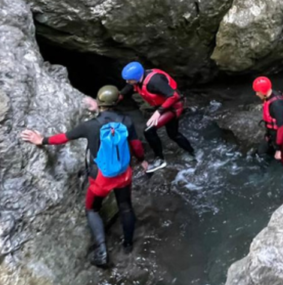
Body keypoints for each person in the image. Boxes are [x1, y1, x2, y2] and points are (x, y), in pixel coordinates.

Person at [20, 85, 143, 268]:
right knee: (125, 207)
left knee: (92, 209)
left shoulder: (90, 126)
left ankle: (102, 252)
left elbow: (64, 137)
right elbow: (136, 145)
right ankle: (127, 245)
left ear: (99, 103)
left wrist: (42, 140)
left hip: (101, 178)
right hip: (123, 174)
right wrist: (142, 160)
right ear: (118, 101)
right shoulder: (127, 121)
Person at [120, 61, 195, 172]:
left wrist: (158, 112)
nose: (127, 82)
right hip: (164, 105)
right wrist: (120, 95)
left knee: (149, 130)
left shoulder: (155, 81)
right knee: (173, 134)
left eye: (129, 79)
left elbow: (173, 96)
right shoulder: (137, 79)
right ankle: (191, 151)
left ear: (136, 77)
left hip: (173, 106)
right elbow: (129, 87)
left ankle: (160, 160)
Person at [254, 76, 283, 165]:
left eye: (257, 91)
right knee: (259, 154)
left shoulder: (277, 105)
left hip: (282, 140)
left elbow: (282, 127)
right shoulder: (269, 96)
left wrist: (278, 149)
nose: (256, 94)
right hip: (272, 136)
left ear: (263, 91)